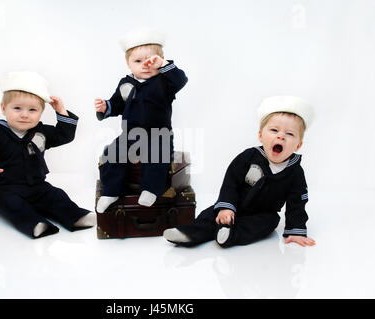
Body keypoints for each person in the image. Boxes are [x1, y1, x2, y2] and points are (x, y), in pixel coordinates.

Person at [164, 96, 316, 248]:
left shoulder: (295, 172)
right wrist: (226, 206)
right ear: (261, 136)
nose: (281, 136)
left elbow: (297, 201)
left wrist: (296, 230)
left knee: (267, 224)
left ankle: (229, 235)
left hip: (263, 214)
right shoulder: (249, 157)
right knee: (211, 214)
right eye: (274, 130)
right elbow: (231, 182)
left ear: (298, 144)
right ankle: (190, 233)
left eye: (290, 134)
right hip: (235, 204)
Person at [0, 71, 95, 239]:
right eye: (17, 108)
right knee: (12, 205)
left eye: (32, 110)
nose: (24, 115)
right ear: (3, 108)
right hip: (6, 189)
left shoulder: (40, 131)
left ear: (41, 112)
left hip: (37, 187)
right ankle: (35, 224)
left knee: (56, 196)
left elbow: (64, 135)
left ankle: (75, 216)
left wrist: (61, 111)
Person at [94, 28, 188, 213]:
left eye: (150, 61)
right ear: (128, 64)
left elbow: (180, 80)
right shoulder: (125, 83)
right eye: (138, 61)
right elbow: (117, 104)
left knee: (156, 158)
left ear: (159, 62)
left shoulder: (165, 82)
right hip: (130, 133)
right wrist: (106, 107)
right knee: (112, 154)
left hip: (159, 134)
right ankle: (111, 191)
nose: (145, 65)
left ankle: (151, 189)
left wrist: (164, 65)